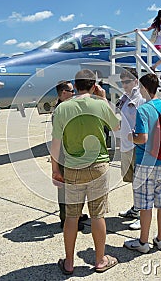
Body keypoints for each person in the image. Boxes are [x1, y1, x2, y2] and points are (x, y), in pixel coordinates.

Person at [51, 69, 120, 274]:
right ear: (93, 85)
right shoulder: (100, 104)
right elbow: (116, 127)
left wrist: (55, 169)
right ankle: (100, 260)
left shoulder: (63, 108)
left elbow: (55, 144)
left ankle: (69, 262)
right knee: (98, 215)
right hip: (98, 166)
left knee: (72, 216)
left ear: (76, 84)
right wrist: (104, 99)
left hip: (73, 168)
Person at [124, 73, 161, 253]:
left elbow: (142, 138)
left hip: (145, 164)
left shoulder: (143, 110)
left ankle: (143, 243)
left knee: (145, 205)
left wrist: (130, 136)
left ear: (144, 88)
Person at [53, 80, 88, 231]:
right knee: (65, 188)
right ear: (63, 93)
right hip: (65, 154)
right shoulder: (61, 110)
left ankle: (76, 214)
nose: (74, 94)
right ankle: (65, 218)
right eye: (72, 91)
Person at [116, 68, 145, 230]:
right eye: (123, 81)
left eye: (127, 81)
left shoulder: (140, 99)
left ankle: (142, 215)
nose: (124, 84)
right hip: (126, 145)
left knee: (140, 182)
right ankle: (136, 208)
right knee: (132, 181)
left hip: (136, 146)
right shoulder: (124, 98)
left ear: (135, 81)